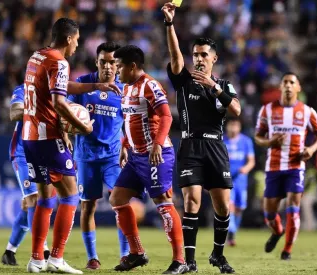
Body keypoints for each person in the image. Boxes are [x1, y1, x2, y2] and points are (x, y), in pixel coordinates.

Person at [22, 18, 118, 274]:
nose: (77, 44)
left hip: (29, 136)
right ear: (68, 38)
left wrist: (96, 86)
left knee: (45, 198)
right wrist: (83, 126)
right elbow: (60, 102)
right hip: (49, 137)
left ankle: (36, 259)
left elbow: (60, 88)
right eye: (76, 40)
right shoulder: (60, 61)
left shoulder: (37, 56)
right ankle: (56, 257)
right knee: (71, 195)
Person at [163, 2, 241, 273]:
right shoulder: (183, 81)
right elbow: (174, 55)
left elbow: (237, 109)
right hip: (190, 144)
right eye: (195, 54)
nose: (198, 58)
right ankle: (190, 261)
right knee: (191, 201)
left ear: (214, 59)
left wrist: (214, 89)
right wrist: (170, 24)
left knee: (222, 206)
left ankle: (218, 255)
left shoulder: (223, 85)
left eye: (204, 55)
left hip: (215, 146)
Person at [109, 45, 187, 274]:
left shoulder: (150, 85)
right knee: (117, 199)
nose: (116, 70)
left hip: (156, 154)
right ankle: (137, 253)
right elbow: (130, 120)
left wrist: (158, 143)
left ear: (132, 66)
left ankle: (179, 261)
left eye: (119, 66)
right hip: (135, 156)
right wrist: (125, 146)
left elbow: (166, 116)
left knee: (163, 203)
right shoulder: (125, 88)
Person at [66, 42, 130, 269]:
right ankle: (92, 257)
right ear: (97, 62)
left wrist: (125, 144)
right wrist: (74, 129)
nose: (109, 66)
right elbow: (66, 114)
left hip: (113, 156)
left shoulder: (124, 89)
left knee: (120, 204)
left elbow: (129, 122)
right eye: (104, 61)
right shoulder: (83, 85)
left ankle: (125, 254)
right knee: (87, 207)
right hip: (86, 156)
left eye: (113, 62)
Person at [255, 72, 317, 260]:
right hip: (274, 167)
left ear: (298, 88)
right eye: (284, 82)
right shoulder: (267, 110)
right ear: (280, 87)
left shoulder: (307, 111)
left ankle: (287, 250)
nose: (288, 85)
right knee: (269, 214)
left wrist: (311, 149)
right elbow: (258, 136)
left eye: (291, 82)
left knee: (294, 207)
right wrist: (269, 142)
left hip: (296, 166)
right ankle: (277, 231)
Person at [1, 84, 50, 266]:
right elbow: (14, 113)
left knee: (28, 204)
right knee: (34, 200)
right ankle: (42, 250)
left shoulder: (57, 91)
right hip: (22, 153)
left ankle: (9, 251)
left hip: (43, 153)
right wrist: (39, 109)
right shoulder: (23, 90)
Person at [223, 117, 255, 246]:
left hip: (241, 180)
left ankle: (232, 231)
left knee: (240, 208)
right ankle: (230, 233)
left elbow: (251, 161)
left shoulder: (246, 141)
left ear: (239, 127)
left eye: (235, 125)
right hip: (226, 179)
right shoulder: (222, 141)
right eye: (231, 124)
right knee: (229, 206)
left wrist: (245, 169)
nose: (233, 127)